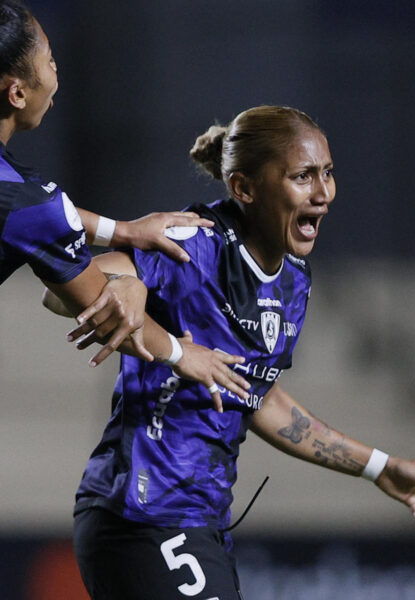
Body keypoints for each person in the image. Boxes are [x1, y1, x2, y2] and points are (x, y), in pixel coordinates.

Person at [56, 106, 415, 600]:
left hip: (201, 522)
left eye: (327, 173)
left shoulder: (294, 284)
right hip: (141, 516)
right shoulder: (194, 245)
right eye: (303, 177)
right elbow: (62, 288)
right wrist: (126, 281)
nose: (323, 193)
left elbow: (262, 400)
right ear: (244, 189)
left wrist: (379, 466)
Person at [0, 0, 252, 399]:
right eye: (49, 61)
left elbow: (28, 215)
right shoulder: (27, 202)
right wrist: (180, 352)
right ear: (16, 92)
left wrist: (123, 232)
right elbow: (99, 302)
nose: (56, 74)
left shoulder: (23, 200)